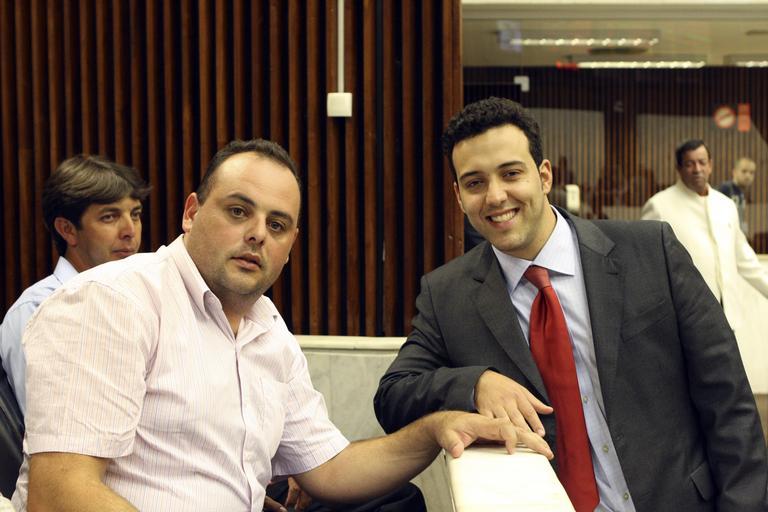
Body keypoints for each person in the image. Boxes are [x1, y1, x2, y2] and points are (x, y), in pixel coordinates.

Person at [11, 139, 548, 512]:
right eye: (238, 212)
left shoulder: (265, 326)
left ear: (291, 245)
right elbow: (61, 497)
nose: (257, 235)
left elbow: (330, 469)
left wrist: (436, 429)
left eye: (277, 224)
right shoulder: (110, 301)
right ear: (191, 213)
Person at [373, 98, 768, 511]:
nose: (495, 196)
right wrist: (475, 384)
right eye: (475, 183)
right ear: (458, 196)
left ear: (544, 176)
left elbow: (728, 401)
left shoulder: (651, 252)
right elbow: (392, 398)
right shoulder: (448, 294)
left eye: (511, 174)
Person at [0, 154, 150, 415]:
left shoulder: (147, 298)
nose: (130, 231)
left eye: (135, 214)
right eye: (109, 217)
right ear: (67, 230)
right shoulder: (36, 310)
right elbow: (49, 421)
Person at [641, 141, 768, 335]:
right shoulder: (659, 206)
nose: (697, 169)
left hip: (728, 318)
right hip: (684, 320)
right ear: (678, 168)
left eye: (702, 162)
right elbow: (646, 265)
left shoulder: (725, 205)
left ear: (711, 165)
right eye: (689, 164)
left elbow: (745, 259)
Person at [718, 157, 757, 234]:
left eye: (751, 172)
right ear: (734, 172)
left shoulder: (746, 194)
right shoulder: (725, 188)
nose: (748, 176)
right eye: (744, 171)